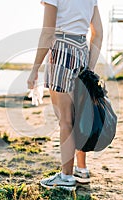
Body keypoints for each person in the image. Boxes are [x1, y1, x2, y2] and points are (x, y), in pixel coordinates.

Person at [27, 0, 103, 191]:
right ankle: (82, 170)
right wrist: (89, 69)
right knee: (78, 116)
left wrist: (35, 69)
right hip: (81, 51)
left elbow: (47, 33)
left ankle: (66, 177)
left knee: (65, 120)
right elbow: (98, 34)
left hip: (61, 50)